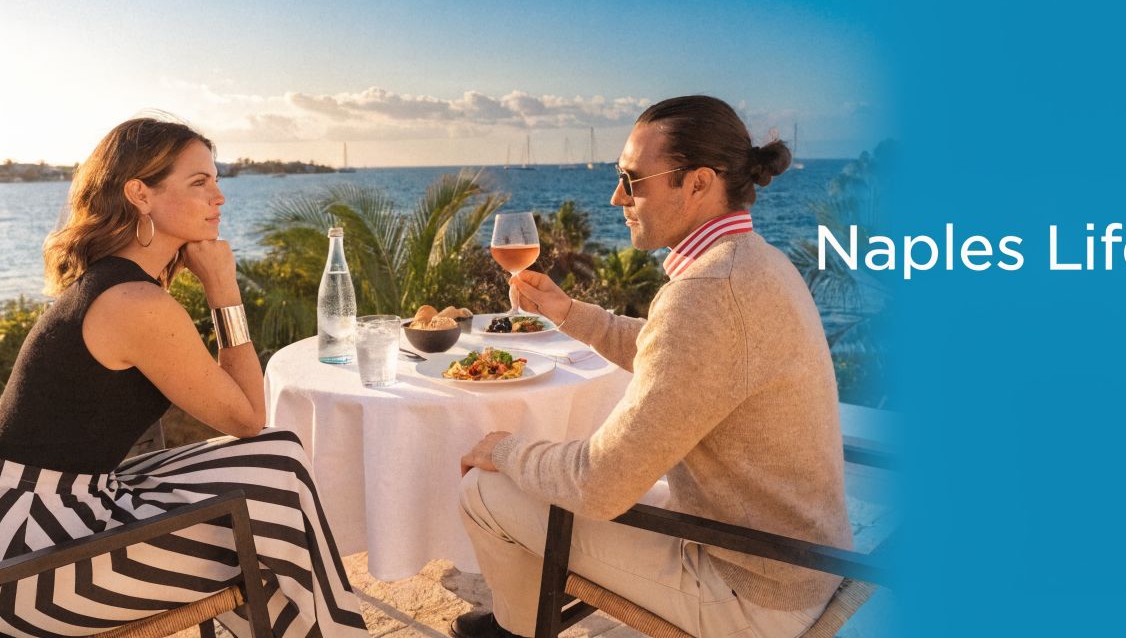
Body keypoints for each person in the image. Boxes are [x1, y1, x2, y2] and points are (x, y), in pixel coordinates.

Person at [454, 96, 851, 638]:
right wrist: (569, 313)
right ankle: (518, 619)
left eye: (632, 179)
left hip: (752, 591)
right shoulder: (755, 261)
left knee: (486, 488)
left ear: (698, 183)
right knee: (546, 478)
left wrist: (503, 448)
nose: (617, 195)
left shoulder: (708, 293)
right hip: (791, 557)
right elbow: (677, 354)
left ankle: (518, 629)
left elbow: (600, 484)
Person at [0, 117, 368, 638]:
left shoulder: (118, 283)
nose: (220, 197)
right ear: (140, 195)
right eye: (200, 183)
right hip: (35, 555)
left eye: (216, 181)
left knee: (276, 460)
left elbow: (253, 430)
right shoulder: (133, 302)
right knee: (270, 505)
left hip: (60, 506)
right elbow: (246, 416)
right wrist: (222, 287)